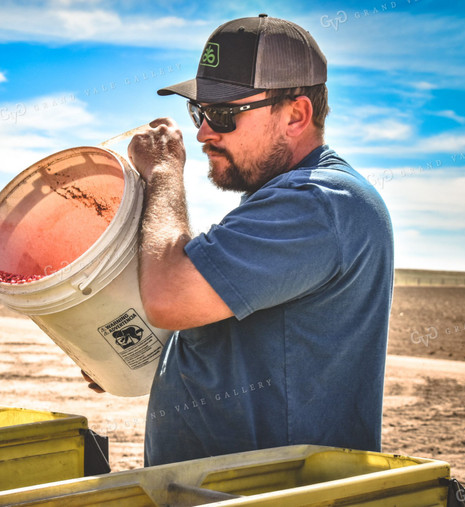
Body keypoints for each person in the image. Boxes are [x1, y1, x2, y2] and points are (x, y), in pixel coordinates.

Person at [121, 14, 395, 466]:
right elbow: (232, 336)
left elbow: (171, 296)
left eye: (224, 114)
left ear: (296, 115)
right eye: (200, 111)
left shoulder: (317, 203)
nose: (203, 132)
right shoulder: (277, 201)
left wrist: (166, 170)